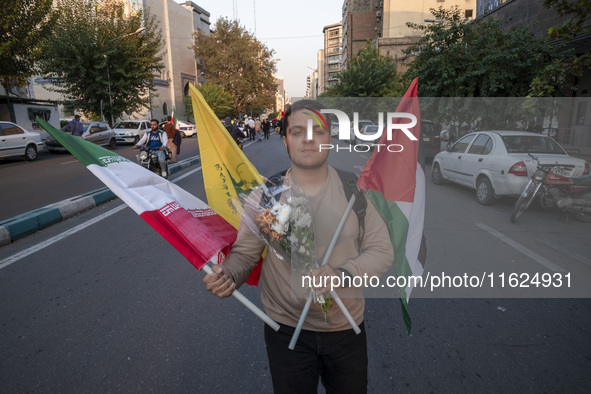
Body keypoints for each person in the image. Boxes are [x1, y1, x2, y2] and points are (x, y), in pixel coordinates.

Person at [204, 100, 394, 394]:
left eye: (318, 131)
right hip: (285, 331)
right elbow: (244, 254)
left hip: (346, 328)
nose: (308, 139)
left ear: (329, 138)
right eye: (297, 131)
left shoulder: (354, 191)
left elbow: (382, 252)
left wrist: (343, 274)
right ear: (285, 141)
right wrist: (228, 275)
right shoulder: (267, 196)